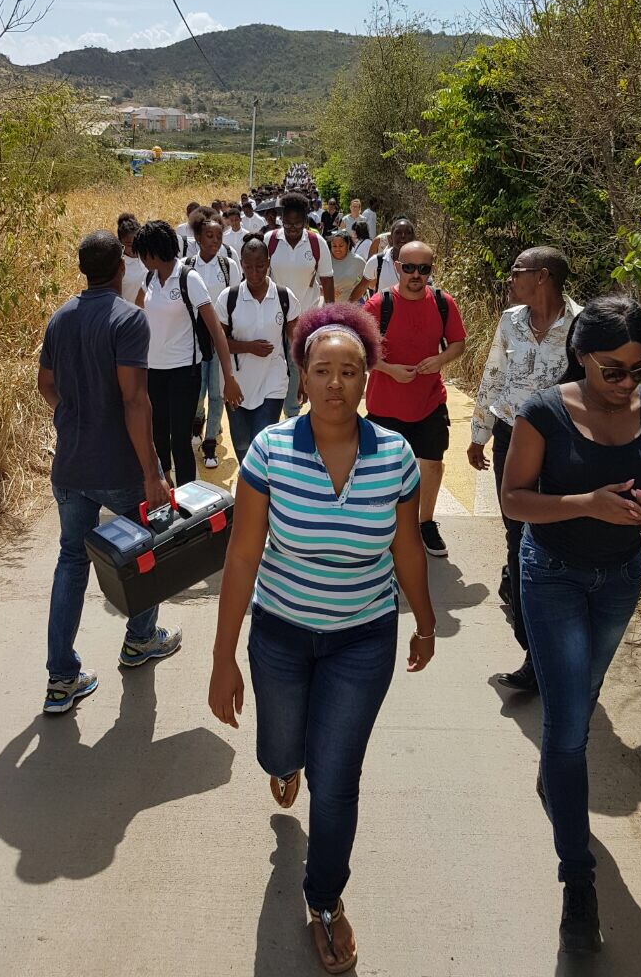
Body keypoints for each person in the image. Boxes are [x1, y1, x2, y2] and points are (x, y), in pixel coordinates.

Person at [208, 304, 436, 975]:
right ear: (301, 377)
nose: (336, 383)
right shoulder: (271, 450)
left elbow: (408, 548)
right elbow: (243, 557)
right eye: (322, 370)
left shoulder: (393, 455)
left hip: (361, 641)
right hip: (279, 633)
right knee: (282, 748)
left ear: (367, 378)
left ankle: (326, 901)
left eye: (350, 371)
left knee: (337, 779)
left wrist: (423, 620)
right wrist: (223, 659)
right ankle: (283, 762)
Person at [501, 296, 641, 954]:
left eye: (638, 371)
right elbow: (515, 499)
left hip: (619, 581)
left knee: (581, 705)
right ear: (582, 356)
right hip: (552, 573)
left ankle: (559, 769)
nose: (625, 384)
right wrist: (588, 502)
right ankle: (577, 880)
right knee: (566, 730)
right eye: (612, 369)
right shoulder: (543, 413)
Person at [37, 231, 181, 715]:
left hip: (71, 464)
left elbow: (46, 385)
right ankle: (140, 641)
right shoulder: (127, 319)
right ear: (121, 266)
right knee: (141, 553)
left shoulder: (60, 319)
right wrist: (152, 473)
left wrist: (70, 416)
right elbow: (135, 400)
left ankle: (61, 679)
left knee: (71, 562)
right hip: (119, 464)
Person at [467, 247, 582, 692]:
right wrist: (480, 432)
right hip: (512, 439)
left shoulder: (582, 325)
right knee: (517, 532)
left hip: (561, 446)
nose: (510, 277)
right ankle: (531, 641)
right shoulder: (510, 320)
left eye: (518, 271)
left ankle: (539, 653)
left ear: (544, 277)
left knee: (551, 537)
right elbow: (494, 375)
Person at [364, 241, 466, 556]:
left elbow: (458, 343)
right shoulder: (378, 305)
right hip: (385, 404)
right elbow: (359, 352)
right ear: (397, 267)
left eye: (424, 268)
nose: (416, 275)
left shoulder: (443, 302)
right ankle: (384, 526)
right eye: (409, 267)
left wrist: (440, 360)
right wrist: (389, 369)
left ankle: (426, 523)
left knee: (433, 465)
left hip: (429, 402)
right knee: (383, 470)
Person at [134, 220, 243, 486]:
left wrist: (228, 376)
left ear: (154, 252)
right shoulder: (148, 279)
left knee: (179, 438)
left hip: (185, 370)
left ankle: (187, 498)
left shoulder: (188, 278)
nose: (141, 259)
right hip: (154, 372)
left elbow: (216, 331)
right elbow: (137, 315)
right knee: (158, 434)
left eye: (142, 254)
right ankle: (165, 487)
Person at [216, 234, 301, 464]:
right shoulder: (228, 298)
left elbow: (297, 341)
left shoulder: (284, 297)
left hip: (273, 382)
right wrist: (248, 348)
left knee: (262, 444)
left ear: (268, 263)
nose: (254, 273)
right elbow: (219, 341)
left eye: (260, 266)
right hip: (236, 384)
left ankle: (265, 494)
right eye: (248, 267)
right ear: (241, 264)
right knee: (243, 447)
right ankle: (249, 493)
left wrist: (303, 377)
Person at [265, 192, 335, 418]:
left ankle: (294, 415)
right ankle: (278, 415)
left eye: (296, 224)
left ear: (305, 222)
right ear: (280, 221)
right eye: (287, 223)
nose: (291, 228)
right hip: (275, 320)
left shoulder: (317, 243)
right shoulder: (271, 241)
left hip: (307, 320)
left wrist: (330, 319)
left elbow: (327, 280)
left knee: (300, 369)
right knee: (278, 369)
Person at [185, 216, 242, 469]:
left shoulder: (229, 266)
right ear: (197, 238)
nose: (215, 241)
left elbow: (236, 302)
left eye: (219, 237)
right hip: (193, 339)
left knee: (217, 392)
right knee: (197, 392)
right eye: (209, 236)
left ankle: (210, 445)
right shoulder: (186, 266)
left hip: (219, 338)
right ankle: (197, 421)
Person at [363, 217, 415, 295]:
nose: (403, 236)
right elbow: (366, 285)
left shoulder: (422, 262)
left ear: (413, 238)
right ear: (390, 238)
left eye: (408, 232)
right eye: (398, 232)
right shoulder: (377, 260)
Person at [328, 229, 368, 304]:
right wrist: (325, 291)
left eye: (341, 246)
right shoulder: (325, 261)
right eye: (334, 246)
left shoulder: (358, 261)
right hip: (329, 308)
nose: (337, 249)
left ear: (348, 245)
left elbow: (368, 281)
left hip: (352, 307)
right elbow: (314, 284)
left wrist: (358, 291)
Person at [117, 212, 146, 305]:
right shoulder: (118, 265)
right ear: (120, 242)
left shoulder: (149, 257)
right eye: (129, 244)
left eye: (136, 243)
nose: (134, 247)